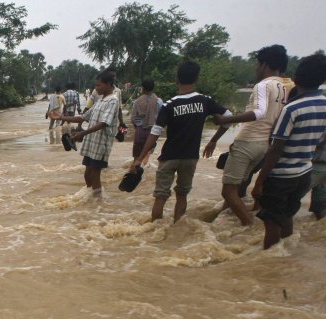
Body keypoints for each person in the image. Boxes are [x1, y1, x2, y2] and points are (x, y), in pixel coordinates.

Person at [130, 61, 231, 222]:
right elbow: (229, 118)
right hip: (190, 158)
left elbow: (155, 133)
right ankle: (177, 229)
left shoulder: (170, 105)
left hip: (169, 157)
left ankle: (154, 233)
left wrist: (139, 159)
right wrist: (213, 140)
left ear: (177, 79)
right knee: (182, 195)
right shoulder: (205, 101)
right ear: (197, 79)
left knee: (160, 197)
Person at [252, 53, 326, 249]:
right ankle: (285, 259)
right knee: (286, 217)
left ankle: (268, 264)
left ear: (296, 78)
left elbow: (276, 149)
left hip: (281, 176)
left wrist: (260, 180)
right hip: (304, 174)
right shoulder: (324, 105)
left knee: (271, 223)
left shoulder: (292, 109)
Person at [210, 45, 289, 225]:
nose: (255, 68)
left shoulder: (262, 85)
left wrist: (225, 121)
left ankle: (248, 225)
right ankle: (221, 223)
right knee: (236, 188)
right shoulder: (283, 86)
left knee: (228, 191)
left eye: (257, 64)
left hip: (248, 141)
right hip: (264, 144)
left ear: (264, 65)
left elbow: (259, 112)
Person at [62, 70, 120, 198]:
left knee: (95, 175)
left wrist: (83, 133)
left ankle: (98, 203)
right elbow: (83, 117)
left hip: (100, 145)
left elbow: (104, 123)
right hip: (91, 143)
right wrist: (60, 117)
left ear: (109, 84)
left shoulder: (112, 101)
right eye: (96, 85)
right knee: (87, 175)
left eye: (98, 85)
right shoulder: (100, 101)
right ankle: (91, 201)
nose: (96, 88)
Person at [130, 78, 160, 162]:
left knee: (137, 155)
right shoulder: (158, 101)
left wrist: (136, 128)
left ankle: (136, 169)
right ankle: (146, 157)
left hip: (140, 130)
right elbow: (161, 118)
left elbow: (133, 119)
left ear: (142, 88)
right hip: (153, 131)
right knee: (149, 148)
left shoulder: (137, 101)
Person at [309, 131, 326, 220]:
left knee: (292, 197)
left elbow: (314, 141)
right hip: (322, 168)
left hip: (317, 166)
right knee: (321, 204)